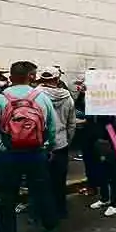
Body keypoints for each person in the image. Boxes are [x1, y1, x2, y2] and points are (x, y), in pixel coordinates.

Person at [0, 61, 60, 232]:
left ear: (11, 76)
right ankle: (51, 229)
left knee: (6, 195)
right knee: (42, 191)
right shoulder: (42, 98)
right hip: (36, 152)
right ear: (31, 76)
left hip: (9, 153)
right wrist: (47, 147)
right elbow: (52, 128)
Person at [35, 66, 77, 219]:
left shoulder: (35, 96)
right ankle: (60, 209)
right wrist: (68, 140)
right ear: (57, 79)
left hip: (41, 145)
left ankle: (42, 212)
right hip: (61, 143)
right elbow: (71, 124)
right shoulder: (67, 97)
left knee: (41, 180)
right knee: (59, 180)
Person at [88, 114, 116, 217]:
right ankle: (105, 198)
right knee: (102, 171)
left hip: (115, 131)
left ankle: (114, 202)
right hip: (102, 133)